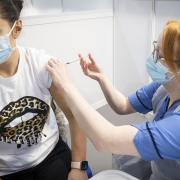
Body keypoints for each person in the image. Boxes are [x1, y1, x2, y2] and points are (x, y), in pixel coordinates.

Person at [47, 20, 180, 180]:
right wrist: (102, 78)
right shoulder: (163, 87)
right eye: (154, 48)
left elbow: (105, 140)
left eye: (159, 55)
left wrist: (66, 86)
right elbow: (123, 105)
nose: (152, 58)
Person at [0, 0, 88, 180]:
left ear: (16, 29)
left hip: (49, 155)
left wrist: (79, 168)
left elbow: (75, 115)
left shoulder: (41, 65)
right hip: (7, 171)